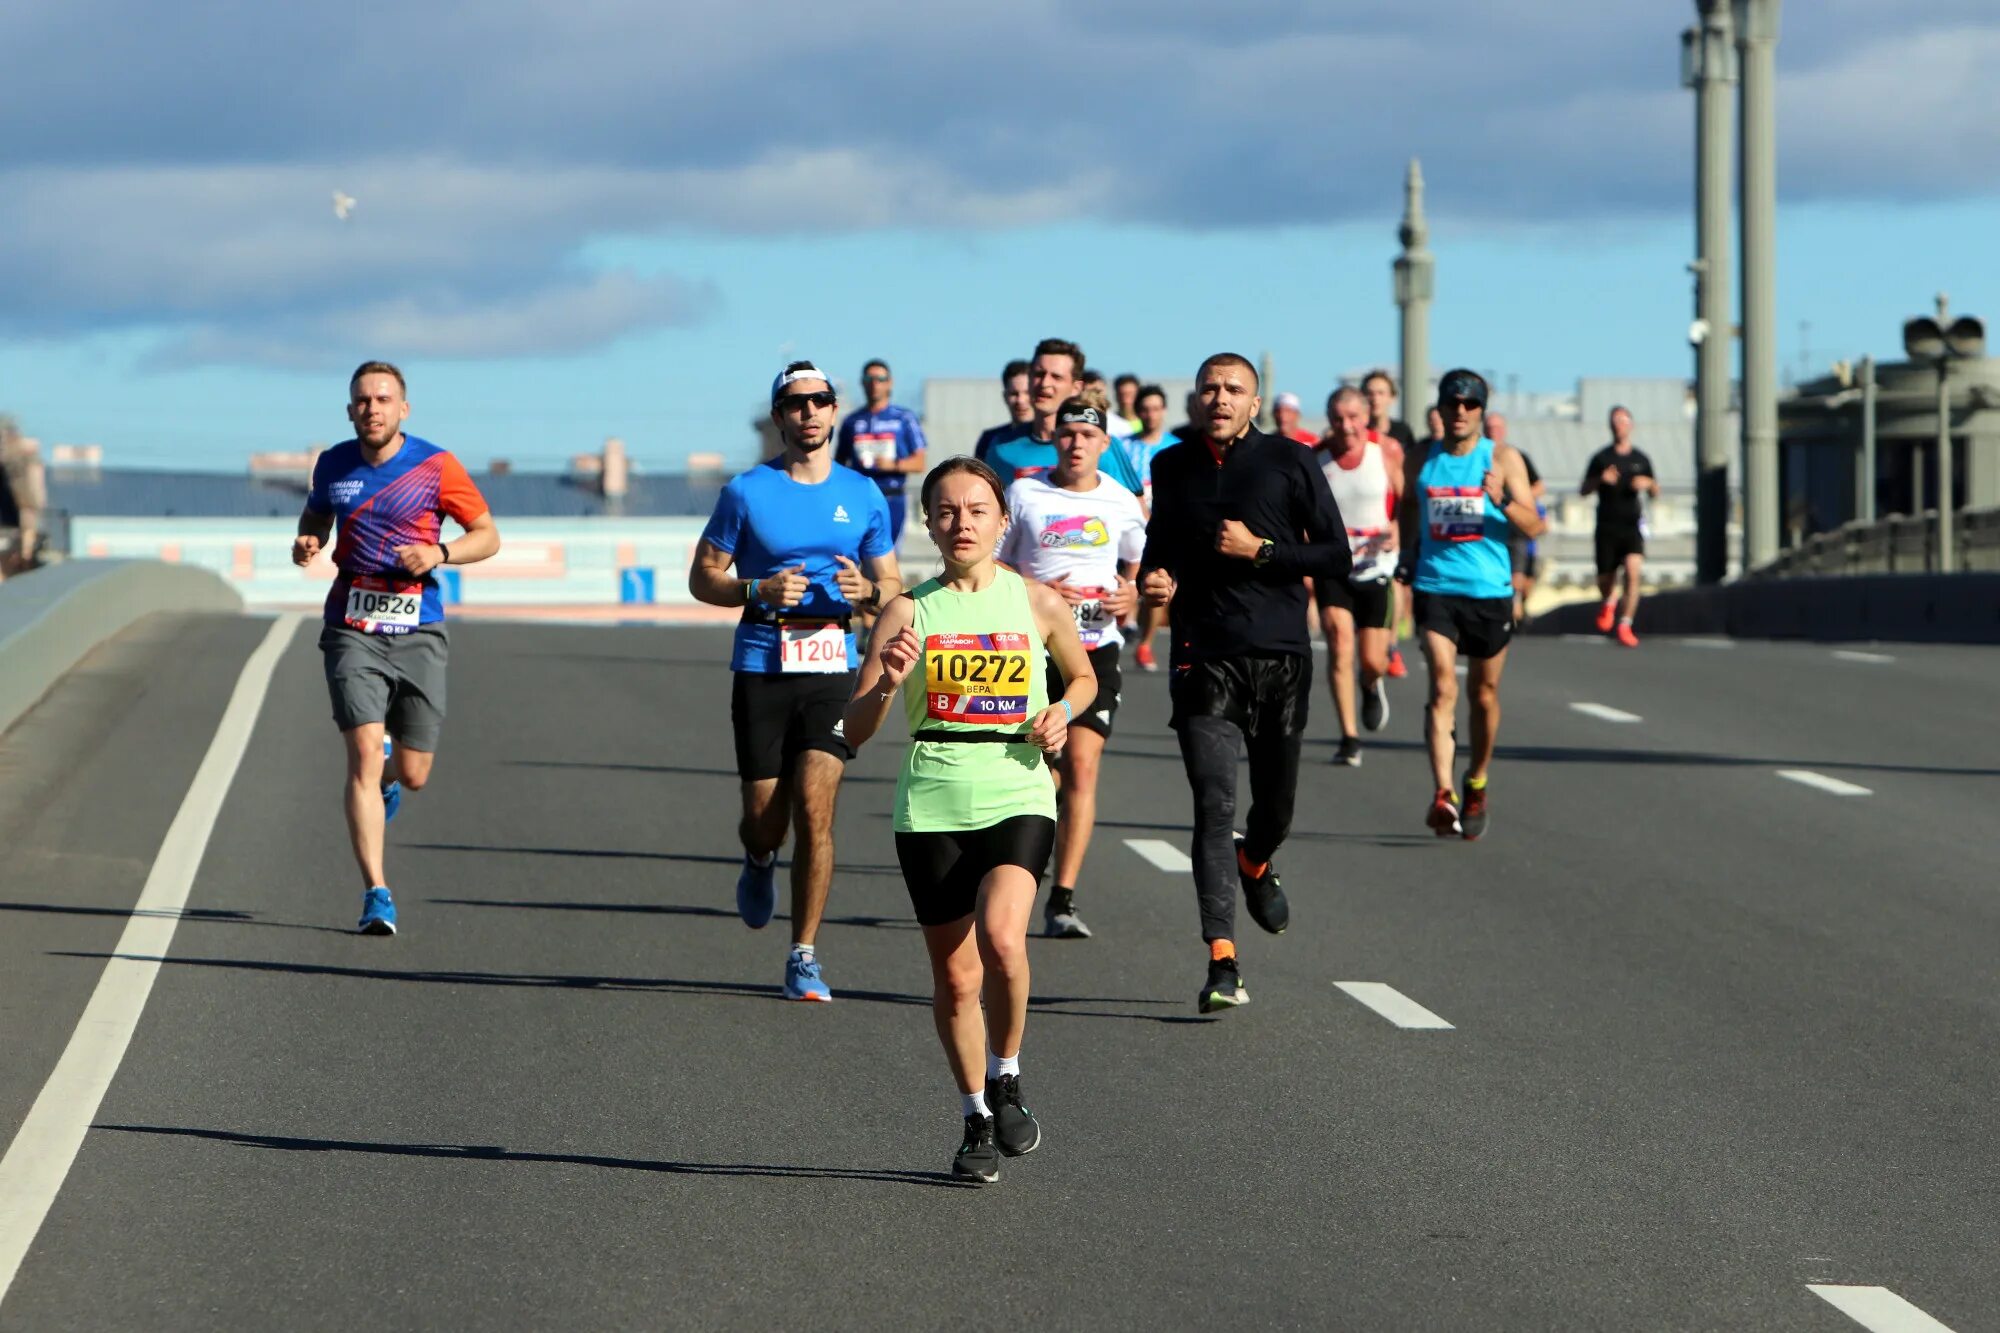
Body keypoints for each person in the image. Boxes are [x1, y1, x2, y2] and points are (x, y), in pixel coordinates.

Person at [844, 457, 1095, 1183]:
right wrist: (888, 683)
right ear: (929, 523)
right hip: (932, 799)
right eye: (947, 512)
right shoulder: (908, 610)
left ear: (1002, 521)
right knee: (956, 981)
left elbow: (1081, 676)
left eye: (977, 510)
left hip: (1017, 786)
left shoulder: (1038, 602)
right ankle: (975, 1113)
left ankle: (1008, 1070)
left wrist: (1062, 711)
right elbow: (855, 730)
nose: (962, 524)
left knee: (1003, 938)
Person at [1140, 353, 1351, 1014]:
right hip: (1205, 656)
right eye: (1210, 388)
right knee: (1213, 804)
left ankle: (1256, 862)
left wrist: (1260, 550)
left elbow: (1336, 553)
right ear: (1196, 398)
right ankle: (1222, 959)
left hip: (1281, 656)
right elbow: (1160, 545)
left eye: (1234, 389)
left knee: (1275, 810)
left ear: (1254, 402)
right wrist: (1154, 578)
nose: (1220, 398)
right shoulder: (1171, 466)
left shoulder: (1292, 460)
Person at [688, 361, 905, 1001]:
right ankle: (759, 858)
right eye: (796, 403)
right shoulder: (747, 491)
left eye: (820, 401)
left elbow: (889, 584)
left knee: (817, 808)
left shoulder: (863, 493)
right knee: (765, 818)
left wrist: (866, 590)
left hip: (833, 667)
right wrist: (755, 587)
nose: (809, 412)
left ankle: (803, 953)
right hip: (762, 662)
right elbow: (704, 577)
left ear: (835, 411)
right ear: (780, 416)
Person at [292, 361, 501, 935]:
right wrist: (310, 537)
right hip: (351, 627)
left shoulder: (436, 465)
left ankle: (390, 785)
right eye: (362, 400)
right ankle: (376, 893)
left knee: (411, 774)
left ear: (403, 408)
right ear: (350, 410)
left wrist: (441, 554)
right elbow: (318, 511)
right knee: (363, 755)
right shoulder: (334, 463)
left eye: (383, 399)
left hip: (418, 629)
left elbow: (488, 535)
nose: (373, 409)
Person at [999, 391, 1145, 939]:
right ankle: (1015, 871)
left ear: (1104, 444)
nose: (1076, 443)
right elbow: (993, 564)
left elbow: (1141, 563)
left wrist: (1132, 595)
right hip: (1032, 652)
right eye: (1067, 434)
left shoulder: (1121, 501)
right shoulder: (1025, 493)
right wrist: (1038, 590)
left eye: (1087, 435)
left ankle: (1062, 898)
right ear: (1054, 438)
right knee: (1040, 769)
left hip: (1095, 648)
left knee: (1082, 766)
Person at [1395, 369, 1543, 842]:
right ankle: (1443, 793)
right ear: (1439, 407)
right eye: (1451, 403)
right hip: (1436, 587)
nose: (1460, 411)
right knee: (1442, 687)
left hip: (1490, 592)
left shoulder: (1502, 458)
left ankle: (1475, 780)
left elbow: (1534, 527)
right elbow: (1407, 508)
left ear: (1480, 410)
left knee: (1483, 695)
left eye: (1470, 404)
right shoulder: (1422, 458)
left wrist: (1501, 499)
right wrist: (1405, 554)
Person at [1313, 387, 1403, 767]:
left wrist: (1398, 527)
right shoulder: (1317, 458)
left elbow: (1407, 500)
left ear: (1366, 417)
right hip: (1334, 566)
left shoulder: (1385, 451)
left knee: (1371, 659)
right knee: (1339, 642)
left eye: (1353, 418)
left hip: (1377, 565)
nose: (1346, 426)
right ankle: (1348, 736)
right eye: (1338, 418)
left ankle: (1370, 683)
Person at [983, 340, 1145, 495]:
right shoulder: (1001, 448)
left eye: (1056, 377)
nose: (1045, 383)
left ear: (1076, 388)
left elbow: (1137, 513)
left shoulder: (1103, 446)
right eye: (1039, 374)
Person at [1581, 406, 1655, 647]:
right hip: (1607, 526)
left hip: (1631, 524)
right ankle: (1609, 602)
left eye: (1623, 421)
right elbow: (1583, 490)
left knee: (1633, 572)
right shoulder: (1601, 458)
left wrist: (1648, 484)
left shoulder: (1641, 459)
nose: (1619, 425)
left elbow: (1656, 490)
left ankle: (1625, 623)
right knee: (1606, 578)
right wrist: (1600, 480)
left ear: (1631, 425)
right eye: (1615, 421)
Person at [834, 359, 927, 550]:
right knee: (857, 552)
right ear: (862, 383)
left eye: (880, 378)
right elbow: (839, 464)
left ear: (889, 382)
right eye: (869, 379)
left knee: (888, 552)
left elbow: (919, 462)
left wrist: (892, 465)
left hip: (892, 496)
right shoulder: (852, 421)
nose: (874, 384)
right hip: (860, 496)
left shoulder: (904, 418)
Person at [1486, 413, 1547, 624]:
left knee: (1519, 576)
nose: (1493, 432)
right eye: (1489, 427)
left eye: (1497, 427)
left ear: (1504, 430)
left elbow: (1540, 486)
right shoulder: (1475, 456)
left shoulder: (1515, 457)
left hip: (1515, 520)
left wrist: (1520, 495)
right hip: (1490, 525)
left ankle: (1515, 608)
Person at [973, 360, 1035, 462]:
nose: (1020, 400)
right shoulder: (989, 440)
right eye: (1014, 394)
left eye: (1027, 393)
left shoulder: (1055, 438)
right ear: (1005, 397)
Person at [1363, 369, 1419, 451]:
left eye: (1381, 393)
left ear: (1392, 397)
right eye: (1370, 393)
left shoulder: (1403, 432)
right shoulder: (1358, 432)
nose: (1375, 399)